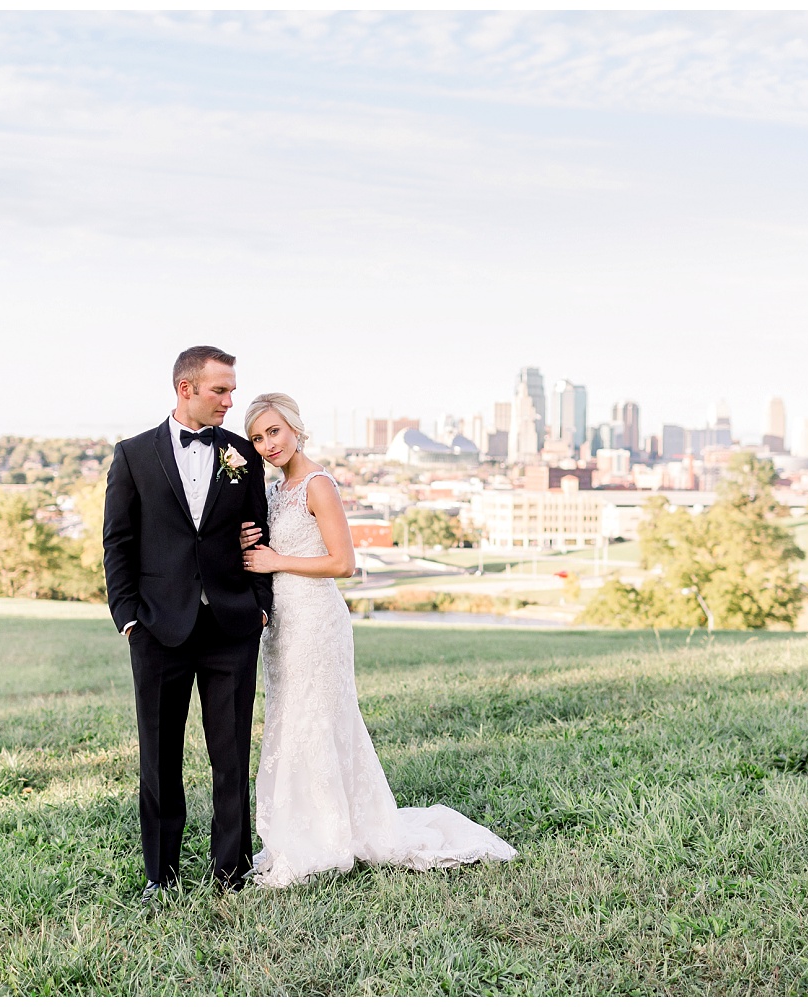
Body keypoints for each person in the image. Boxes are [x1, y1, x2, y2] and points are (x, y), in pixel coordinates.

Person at [239, 393, 514, 888]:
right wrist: (256, 548)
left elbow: (344, 564)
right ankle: (305, 830)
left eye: (274, 431)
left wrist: (275, 560)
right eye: (258, 438)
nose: (267, 445)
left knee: (317, 718)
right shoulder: (279, 490)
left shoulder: (317, 485)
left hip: (316, 620)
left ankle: (327, 837)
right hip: (284, 624)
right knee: (291, 719)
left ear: (297, 427)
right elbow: (283, 546)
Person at [103, 346, 273, 904]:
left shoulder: (243, 455)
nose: (230, 401)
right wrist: (128, 617)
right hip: (158, 629)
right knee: (158, 757)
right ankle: (161, 875)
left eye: (231, 390)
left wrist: (260, 604)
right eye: (219, 391)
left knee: (231, 758)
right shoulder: (132, 456)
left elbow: (259, 533)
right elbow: (118, 543)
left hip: (230, 626)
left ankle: (232, 870)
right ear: (185, 389)